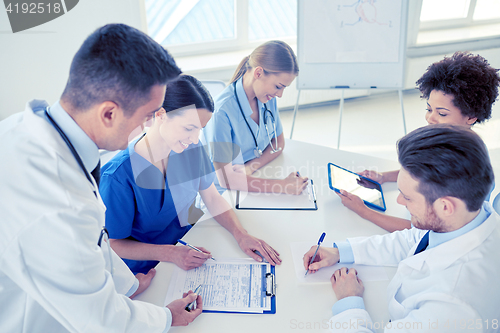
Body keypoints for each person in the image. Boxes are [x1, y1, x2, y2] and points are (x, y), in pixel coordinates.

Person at [0, 24, 203, 332]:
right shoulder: (58, 202)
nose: (153, 124)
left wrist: (128, 285)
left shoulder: (27, 129)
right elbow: (102, 320)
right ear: (109, 113)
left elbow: (93, 242)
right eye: (149, 115)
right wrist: (166, 317)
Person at [303, 124, 499, 332]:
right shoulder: (471, 216)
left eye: (407, 197)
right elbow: (414, 239)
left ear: (445, 206)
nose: (399, 201)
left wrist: (349, 303)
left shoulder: (452, 305)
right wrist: (340, 252)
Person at [99, 75, 282, 275]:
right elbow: (114, 243)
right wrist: (171, 254)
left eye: (200, 130)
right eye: (189, 128)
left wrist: (241, 234)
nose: (195, 139)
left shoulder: (190, 148)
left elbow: (211, 196)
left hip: (190, 245)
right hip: (146, 269)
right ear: (160, 115)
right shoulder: (117, 177)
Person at [337, 52, 500, 232]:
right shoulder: (444, 139)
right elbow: (425, 171)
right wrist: (383, 177)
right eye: (429, 109)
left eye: (442, 113)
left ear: (471, 117)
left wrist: (364, 211)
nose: (430, 118)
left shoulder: (466, 166)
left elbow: (420, 233)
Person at [202, 40, 309, 195]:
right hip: (221, 193)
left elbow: (278, 142)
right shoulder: (221, 112)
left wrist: (251, 167)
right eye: (278, 86)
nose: (280, 94)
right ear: (258, 73)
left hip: (253, 178)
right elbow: (226, 179)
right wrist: (282, 186)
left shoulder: (266, 98)